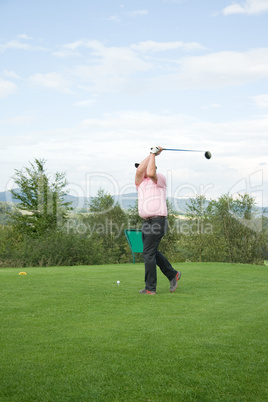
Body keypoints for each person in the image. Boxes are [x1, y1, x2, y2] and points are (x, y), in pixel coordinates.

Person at [135, 145, 181, 295]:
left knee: (148, 253)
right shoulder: (139, 183)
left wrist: (153, 155)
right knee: (151, 252)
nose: (142, 171)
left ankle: (150, 288)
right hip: (147, 222)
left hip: (158, 221)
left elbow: (149, 171)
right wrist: (151, 154)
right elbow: (141, 171)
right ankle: (172, 274)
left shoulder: (159, 179)